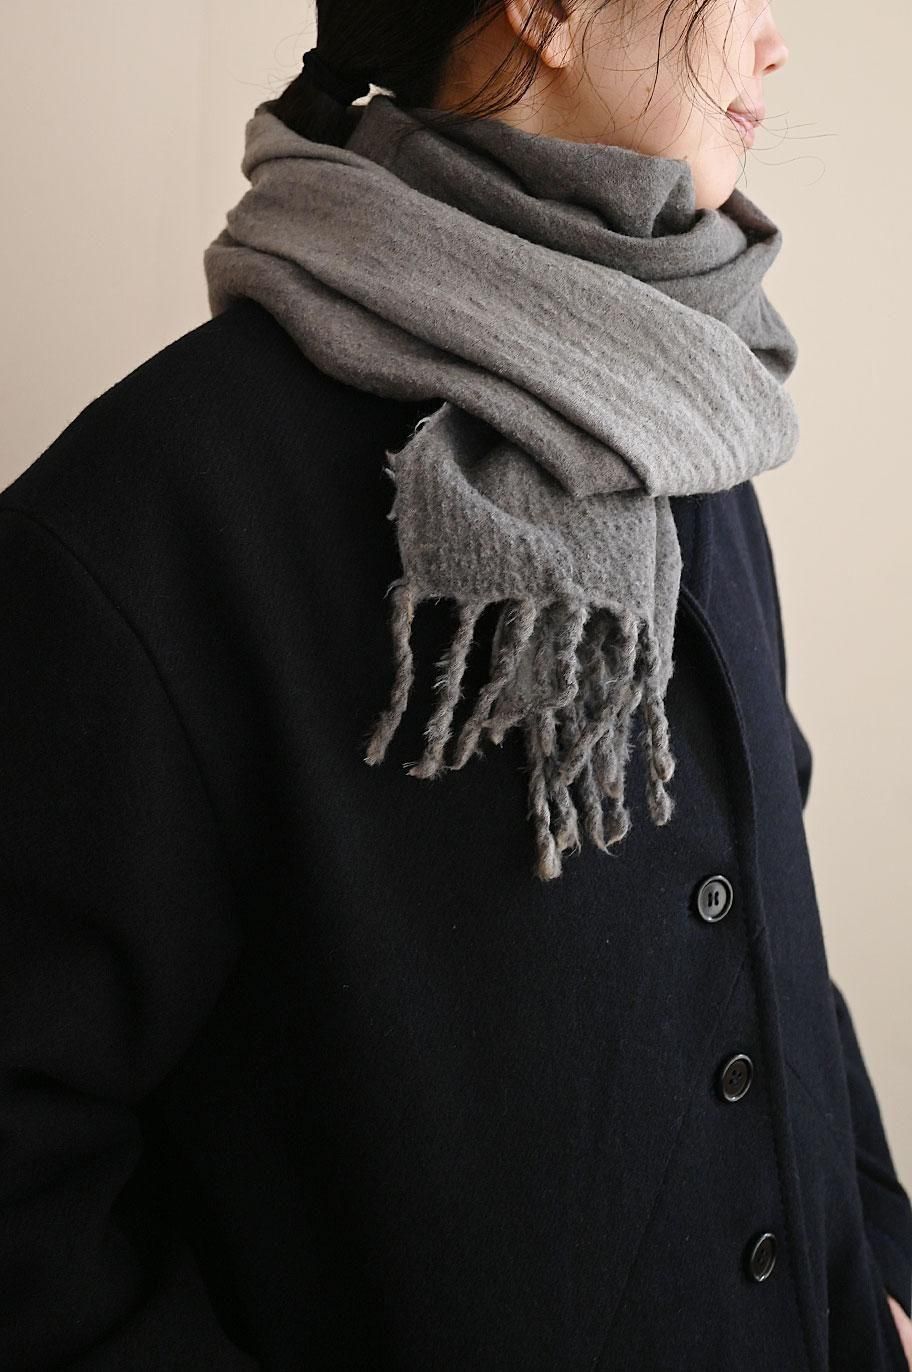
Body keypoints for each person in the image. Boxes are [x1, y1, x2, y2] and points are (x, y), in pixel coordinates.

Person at [1, 1, 910, 1368]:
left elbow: (775, 926)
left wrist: (880, 1263)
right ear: (547, 12)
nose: (774, 38)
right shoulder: (152, 516)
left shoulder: (681, 419)